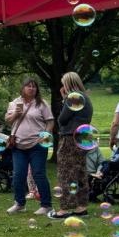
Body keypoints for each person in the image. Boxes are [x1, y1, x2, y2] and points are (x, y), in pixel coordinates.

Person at [5, 77, 54, 216]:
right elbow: (7, 121)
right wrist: (15, 113)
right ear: (23, 88)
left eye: (34, 86)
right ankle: (19, 204)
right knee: (18, 175)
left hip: (37, 145)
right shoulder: (15, 103)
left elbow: (50, 121)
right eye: (29, 86)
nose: (32, 88)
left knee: (39, 174)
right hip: (18, 145)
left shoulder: (41, 104)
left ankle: (46, 205)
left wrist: (45, 134)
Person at [49, 72, 93, 219]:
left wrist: (64, 100)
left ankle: (65, 209)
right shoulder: (85, 97)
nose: (62, 86)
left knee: (66, 172)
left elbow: (62, 119)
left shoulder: (72, 96)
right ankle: (81, 207)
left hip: (70, 138)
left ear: (68, 83)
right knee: (80, 172)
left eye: (64, 83)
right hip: (83, 138)